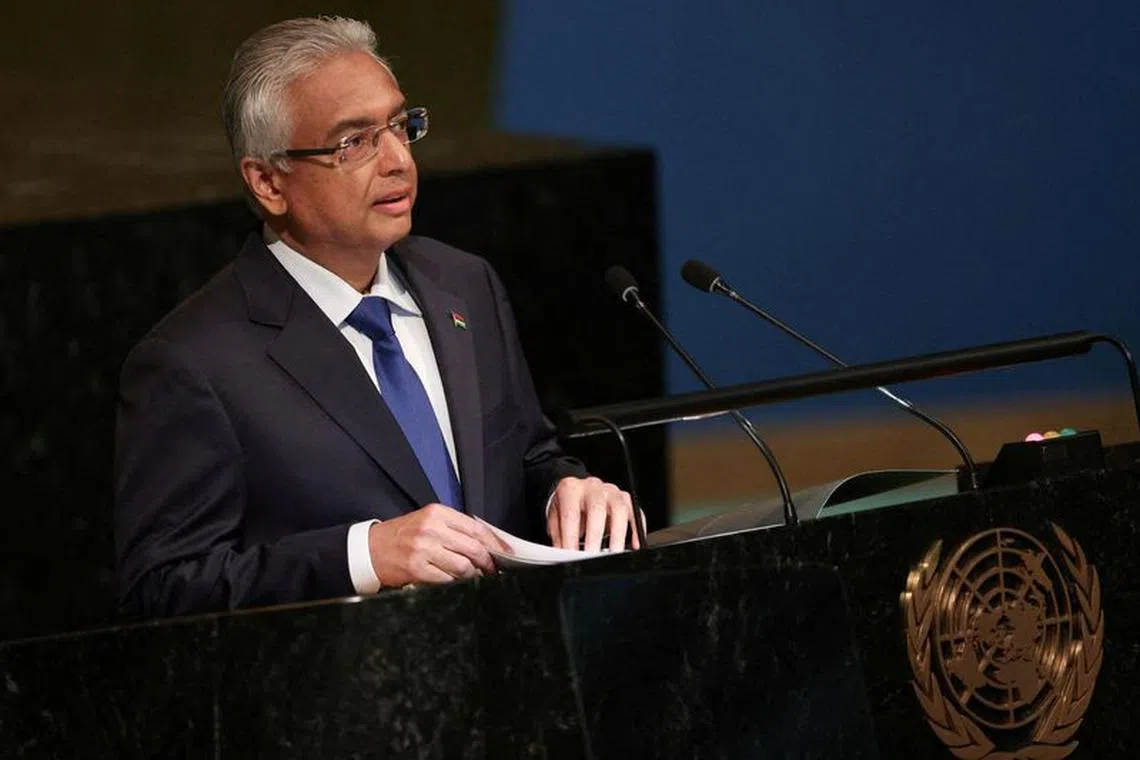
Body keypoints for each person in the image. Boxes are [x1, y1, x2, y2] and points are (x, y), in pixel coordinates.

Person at [114, 16, 638, 618]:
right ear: (267, 181)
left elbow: (527, 457)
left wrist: (565, 493)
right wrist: (362, 556)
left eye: (400, 126)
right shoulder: (193, 363)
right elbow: (162, 589)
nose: (397, 162)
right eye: (353, 142)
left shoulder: (464, 284)